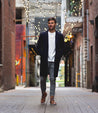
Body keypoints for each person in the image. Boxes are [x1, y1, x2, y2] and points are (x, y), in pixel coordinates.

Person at [37, 17, 64, 105]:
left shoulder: (59, 36)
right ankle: (43, 93)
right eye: (49, 23)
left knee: (52, 80)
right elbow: (37, 47)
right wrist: (42, 54)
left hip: (54, 61)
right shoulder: (43, 35)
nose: (50, 24)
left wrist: (58, 56)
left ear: (55, 24)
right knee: (42, 79)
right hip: (45, 61)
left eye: (52, 23)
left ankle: (52, 98)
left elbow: (62, 48)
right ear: (47, 24)